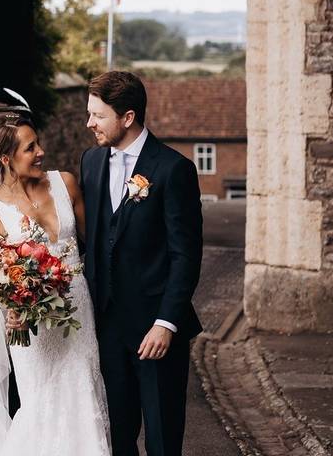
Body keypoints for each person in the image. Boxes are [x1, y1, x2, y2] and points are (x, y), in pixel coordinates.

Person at [0, 112, 111, 456]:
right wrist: (11, 308)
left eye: (38, 143)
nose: (41, 152)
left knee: (85, 396)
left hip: (78, 315)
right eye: (30, 147)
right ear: (6, 158)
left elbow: (96, 247)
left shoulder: (65, 184)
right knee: (41, 407)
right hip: (32, 329)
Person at [80, 71, 203, 456]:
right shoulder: (91, 162)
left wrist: (166, 324)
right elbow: (91, 242)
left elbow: (186, 255)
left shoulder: (173, 169)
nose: (89, 123)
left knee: (163, 438)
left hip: (156, 333)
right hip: (107, 329)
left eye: (98, 116)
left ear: (128, 117)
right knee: (116, 438)